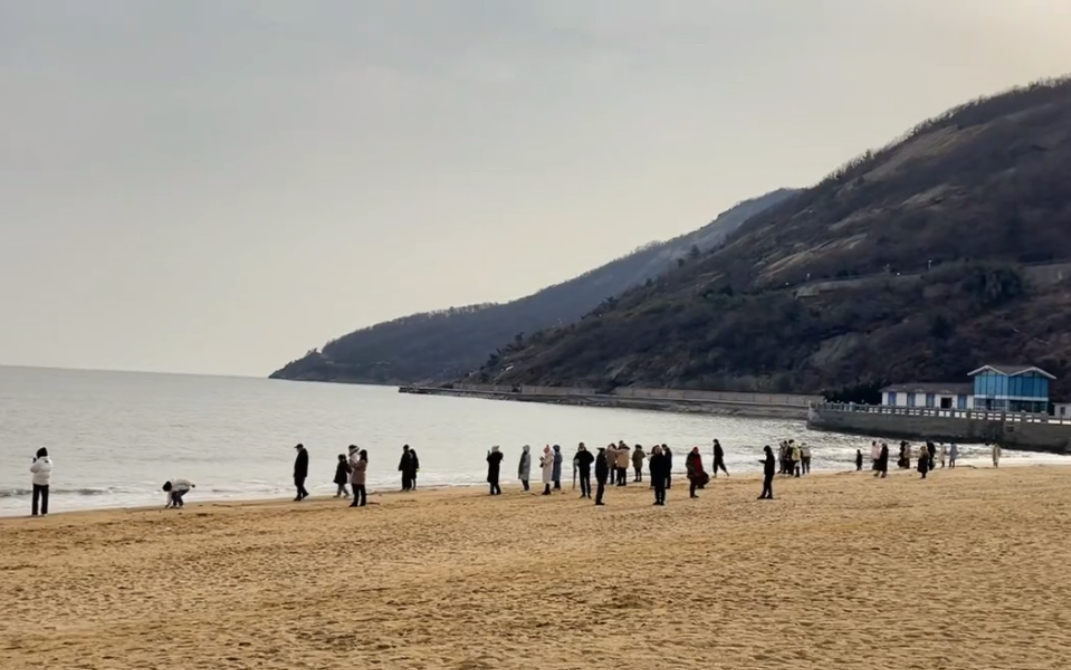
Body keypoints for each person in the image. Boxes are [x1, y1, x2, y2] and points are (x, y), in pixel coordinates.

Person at [30, 447, 53, 516]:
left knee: (35, 498)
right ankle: (44, 512)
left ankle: (35, 512)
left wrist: (34, 463)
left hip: (37, 481)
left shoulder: (39, 462)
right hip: (46, 481)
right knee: (45, 498)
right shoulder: (50, 461)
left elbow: (32, 469)